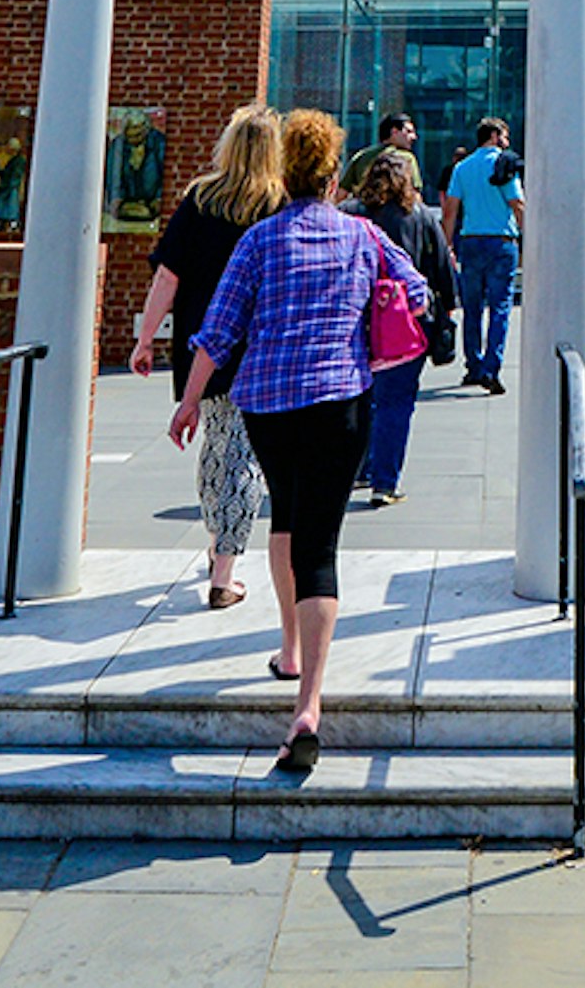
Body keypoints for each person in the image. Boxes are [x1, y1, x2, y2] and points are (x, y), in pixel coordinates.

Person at [172, 107, 427, 777]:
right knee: (320, 546)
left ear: (287, 172)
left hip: (268, 405)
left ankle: (288, 649)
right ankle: (307, 706)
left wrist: (190, 398)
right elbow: (417, 290)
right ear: (333, 172)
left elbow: (217, 327)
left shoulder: (257, 240)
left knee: (284, 516)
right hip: (340, 400)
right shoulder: (361, 233)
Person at [131, 107, 286, 617]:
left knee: (218, 444)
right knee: (243, 453)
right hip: (258, 344)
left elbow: (168, 276)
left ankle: (219, 539)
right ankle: (224, 571)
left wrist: (146, 338)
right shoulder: (278, 202)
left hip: (202, 343)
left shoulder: (201, 198)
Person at [350, 146, 457, 505]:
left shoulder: (350, 214)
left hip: (357, 320)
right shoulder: (422, 216)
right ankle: (385, 481)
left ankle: (359, 470)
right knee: (397, 401)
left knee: (362, 399)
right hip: (405, 325)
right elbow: (442, 268)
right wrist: (447, 310)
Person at [441, 117, 522, 392]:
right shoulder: (505, 163)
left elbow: (450, 210)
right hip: (501, 242)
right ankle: (491, 367)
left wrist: (447, 245)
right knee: (500, 307)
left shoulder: (462, 167)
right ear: (495, 135)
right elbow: (517, 204)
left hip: (471, 241)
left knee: (472, 307)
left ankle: (473, 366)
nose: (507, 142)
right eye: (505, 136)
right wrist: (531, 238)